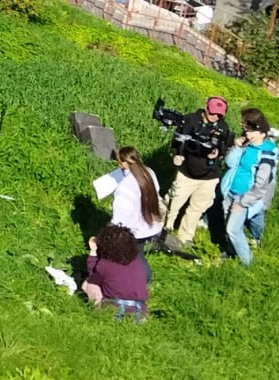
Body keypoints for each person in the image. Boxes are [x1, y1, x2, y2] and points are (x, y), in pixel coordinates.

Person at [161, 96, 232, 251]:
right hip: (186, 173)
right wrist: (176, 154)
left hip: (209, 177)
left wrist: (218, 152)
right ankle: (165, 229)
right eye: (213, 113)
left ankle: (185, 237)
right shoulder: (189, 120)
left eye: (219, 114)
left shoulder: (223, 127)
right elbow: (177, 141)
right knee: (174, 203)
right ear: (206, 108)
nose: (216, 117)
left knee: (196, 208)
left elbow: (225, 146)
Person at [219, 108, 279, 265]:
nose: (246, 133)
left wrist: (243, 202)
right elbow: (229, 163)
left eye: (249, 130)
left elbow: (261, 184)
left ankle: (247, 263)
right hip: (231, 190)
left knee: (233, 229)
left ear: (260, 131)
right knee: (228, 223)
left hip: (245, 196)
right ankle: (231, 250)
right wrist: (237, 147)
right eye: (245, 129)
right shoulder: (246, 145)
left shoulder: (267, 153)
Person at [106, 145, 163, 279]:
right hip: (148, 222)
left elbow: (120, 214)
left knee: (135, 258)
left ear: (124, 163)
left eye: (119, 162)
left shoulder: (125, 185)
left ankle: (142, 279)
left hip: (133, 228)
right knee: (138, 254)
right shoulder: (149, 172)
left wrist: (111, 229)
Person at [82, 224, 149, 323]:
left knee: (88, 284)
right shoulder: (138, 261)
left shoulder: (104, 265)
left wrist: (93, 252)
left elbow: (93, 276)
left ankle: (99, 311)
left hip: (114, 309)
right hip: (140, 312)